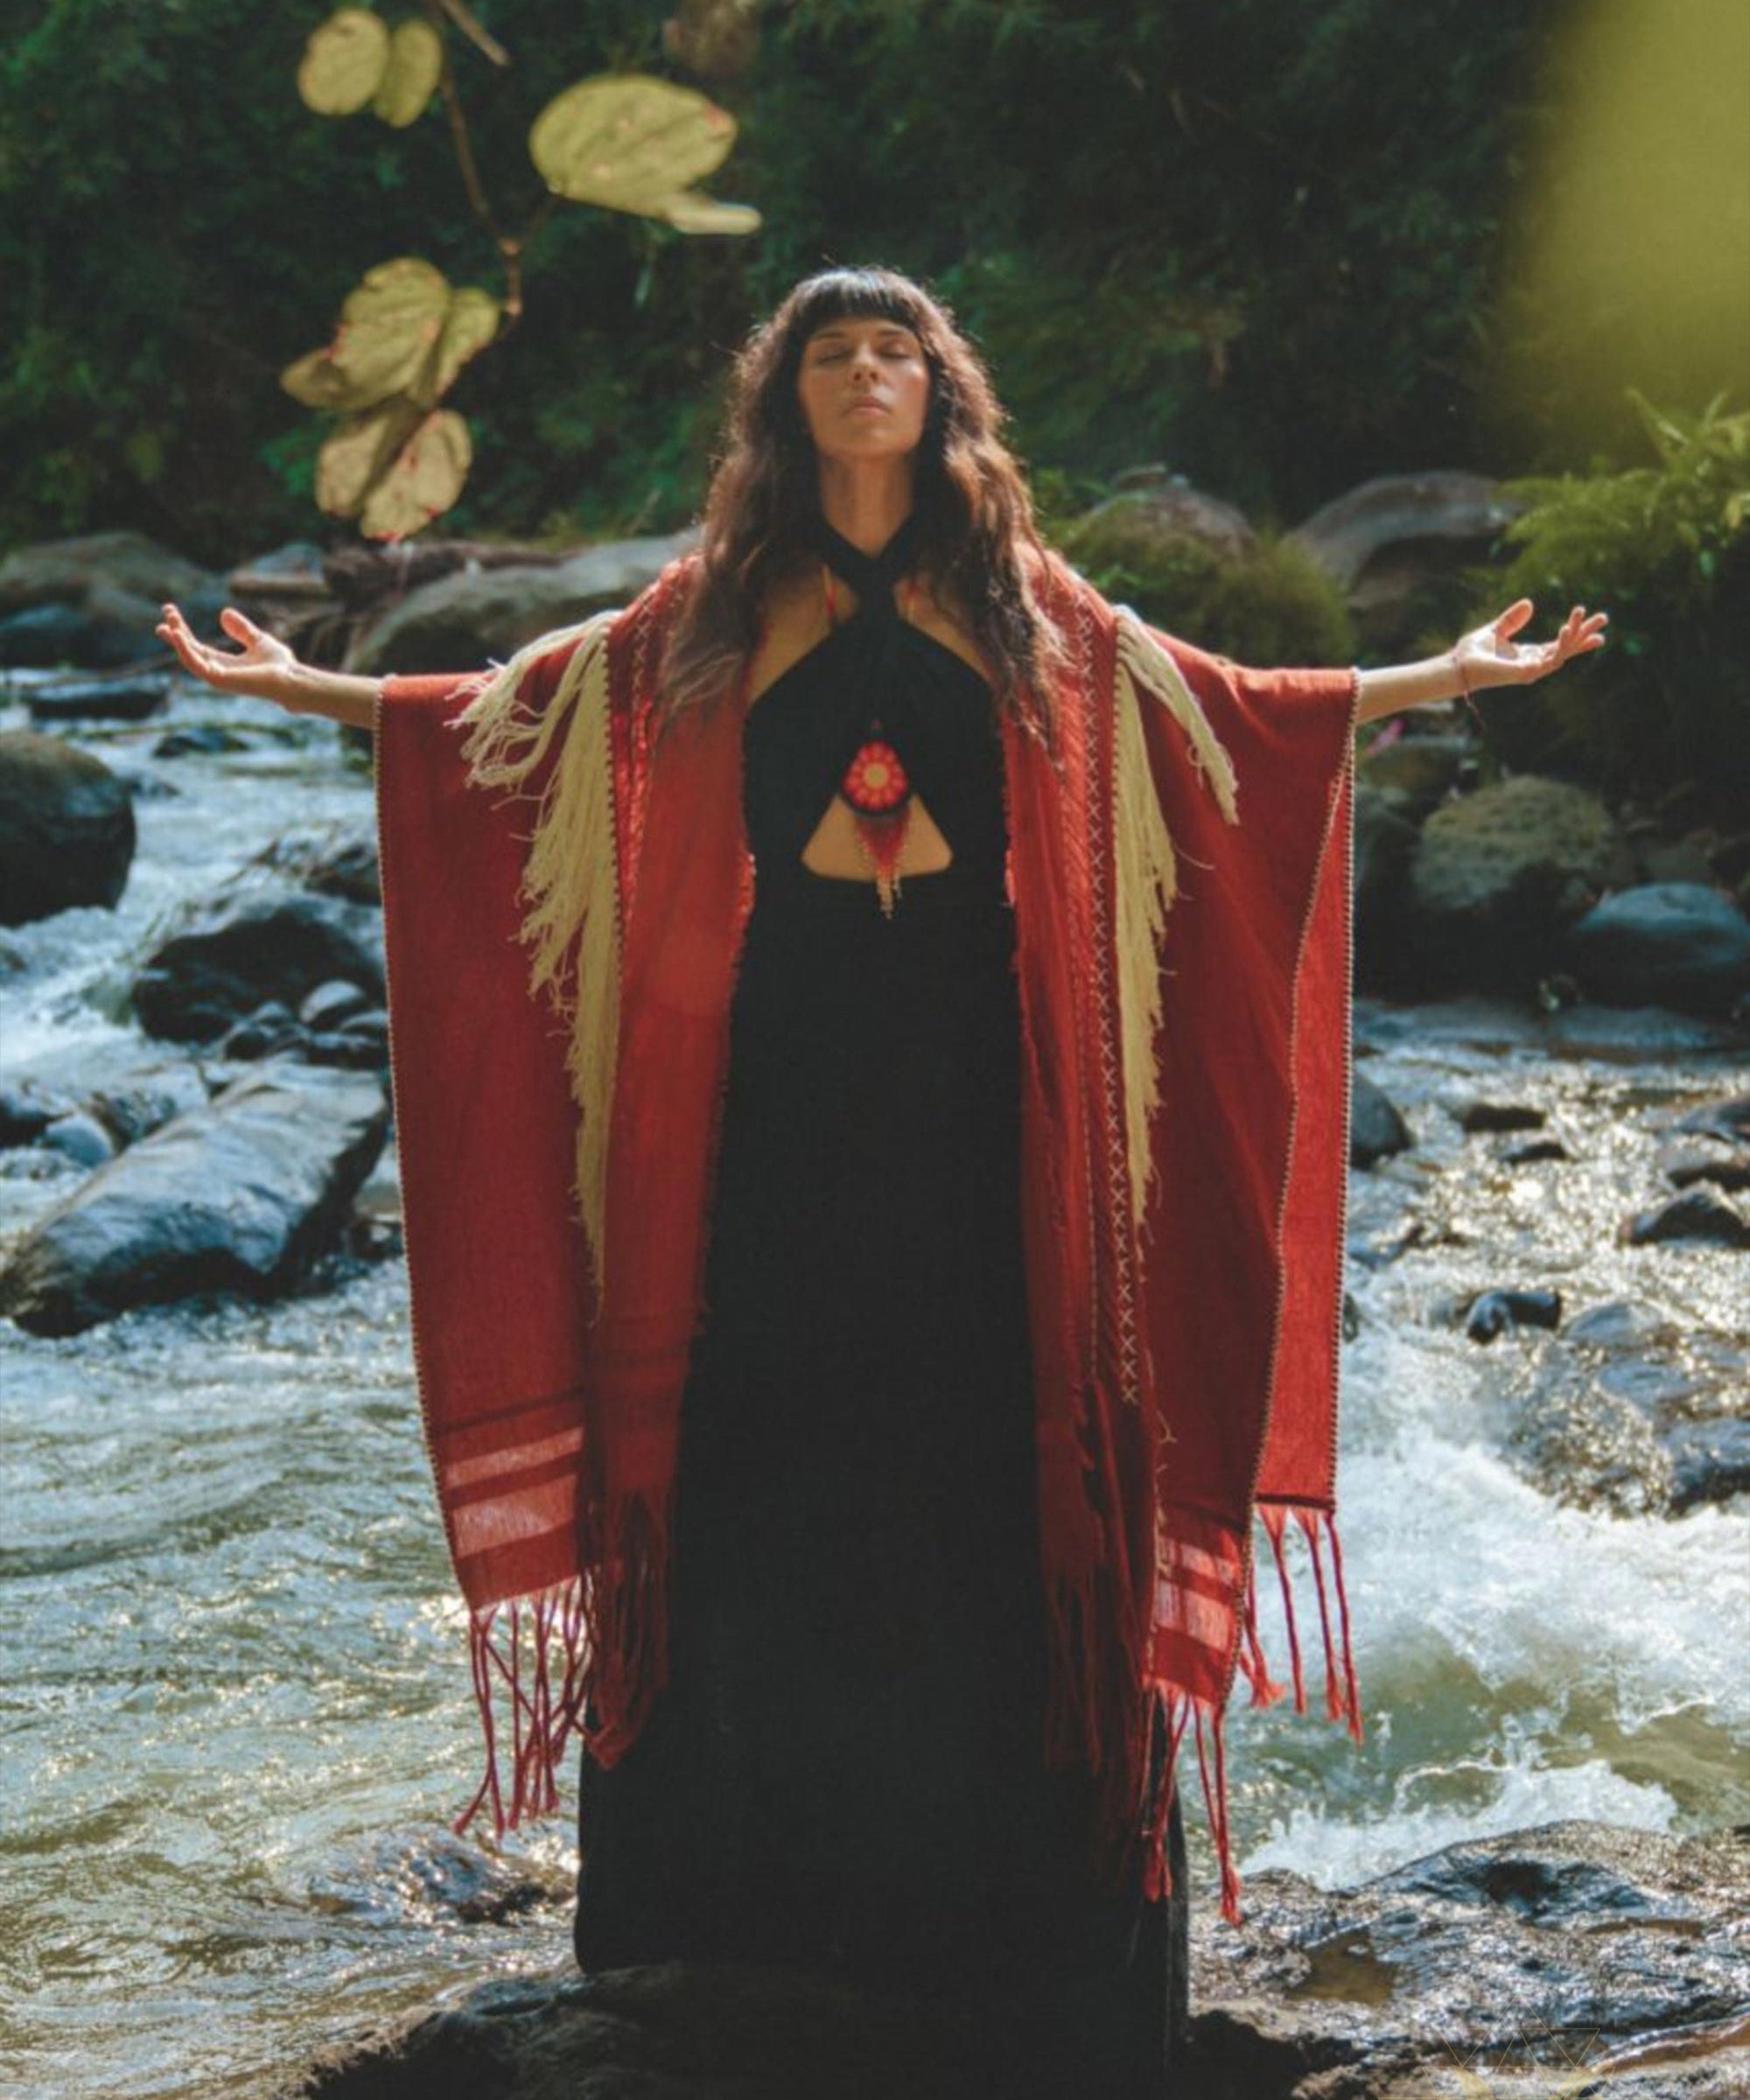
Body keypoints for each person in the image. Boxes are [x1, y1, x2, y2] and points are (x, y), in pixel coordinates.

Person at [158, 264, 1604, 2095]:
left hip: (979, 1092)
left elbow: (1225, 712)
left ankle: (1010, 1932)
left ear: (941, 395)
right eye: (834, 355)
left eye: (895, 353)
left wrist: (1442, 678)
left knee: (988, 1456)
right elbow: (505, 727)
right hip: (769, 1089)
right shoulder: (714, 611)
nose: (867, 377)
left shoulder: (1015, 604)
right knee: (758, 1447)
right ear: (788, 401)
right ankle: (738, 1918)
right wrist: (303, 689)